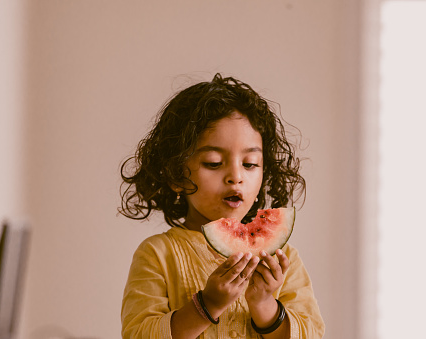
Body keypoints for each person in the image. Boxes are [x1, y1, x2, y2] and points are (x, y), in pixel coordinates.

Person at [120, 73, 325, 338]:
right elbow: (138, 334)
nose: (236, 176)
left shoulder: (282, 260)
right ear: (176, 176)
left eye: (250, 164)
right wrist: (206, 305)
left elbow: (312, 333)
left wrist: (264, 305)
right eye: (214, 163)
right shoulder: (158, 255)